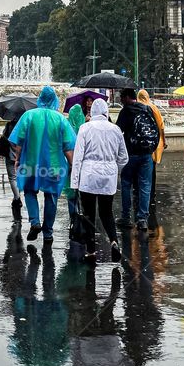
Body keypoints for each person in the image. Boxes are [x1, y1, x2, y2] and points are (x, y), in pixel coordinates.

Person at [9, 86, 76, 243]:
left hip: (30, 163)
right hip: (54, 166)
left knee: (30, 192)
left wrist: (17, 158)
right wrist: (73, 165)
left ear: (40, 99)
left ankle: (35, 222)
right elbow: (68, 146)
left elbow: (18, 141)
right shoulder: (60, 119)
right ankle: (48, 233)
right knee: (51, 196)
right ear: (54, 100)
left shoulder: (28, 116)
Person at [70, 99, 128, 263]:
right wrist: (114, 170)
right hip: (108, 176)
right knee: (106, 212)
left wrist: (75, 183)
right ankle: (114, 240)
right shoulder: (115, 130)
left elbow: (78, 158)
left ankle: (90, 250)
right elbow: (123, 157)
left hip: (88, 176)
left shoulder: (85, 128)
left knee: (89, 214)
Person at [115, 88, 160, 231]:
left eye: (121, 97)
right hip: (146, 155)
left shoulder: (126, 111)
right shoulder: (147, 109)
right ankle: (142, 220)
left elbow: (117, 132)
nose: (120, 100)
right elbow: (156, 130)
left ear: (128, 97)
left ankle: (126, 217)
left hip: (130, 154)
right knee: (145, 186)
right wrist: (151, 150)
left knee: (126, 184)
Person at [136, 90, 166, 213]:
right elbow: (161, 126)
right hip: (153, 143)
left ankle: (138, 192)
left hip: (139, 144)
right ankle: (151, 192)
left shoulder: (136, 107)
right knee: (151, 169)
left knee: (138, 170)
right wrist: (163, 140)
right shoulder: (154, 108)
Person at [0, 116, 23, 222]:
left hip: (10, 154)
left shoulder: (9, 125)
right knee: (19, 176)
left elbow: (5, 137)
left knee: (12, 177)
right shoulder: (26, 124)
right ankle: (17, 196)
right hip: (23, 155)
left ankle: (17, 198)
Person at [64, 104, 87, 237]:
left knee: (71, 194)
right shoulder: (85, 128)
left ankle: (73, 218)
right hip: (84, 166)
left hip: (69, 165)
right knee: (83, 193)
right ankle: (83, 217)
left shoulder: (66, 127)